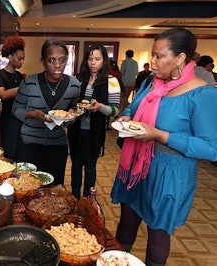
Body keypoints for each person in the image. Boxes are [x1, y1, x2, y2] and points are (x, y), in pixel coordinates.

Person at [111, 27, 217, 266]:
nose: (153, 61)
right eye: (153, 54)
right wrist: (128, 116)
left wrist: (161, 135)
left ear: (180, 58)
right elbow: (134, 108)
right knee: (127, 220)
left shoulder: (202, 94)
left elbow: (212, 148)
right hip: (136, 164)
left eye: (159, 56)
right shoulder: (153, 82)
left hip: (169, 172)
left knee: (157, 232)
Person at [12, 39, 80, 185]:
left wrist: (72, 114)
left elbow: (74, 107)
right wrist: (32, 115)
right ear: (43, 61)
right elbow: (15, 109)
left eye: (62, 60)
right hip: (29, 145)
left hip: (57, 146)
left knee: (53, 189)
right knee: (26, 186)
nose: (57, 65)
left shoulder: (74, 85)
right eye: (51, 60)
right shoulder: (29, 82)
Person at [68, 46, 121, 199]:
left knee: (90, 167)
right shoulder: (78, 78)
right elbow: (72, 102)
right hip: (76, 131)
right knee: (76, 166)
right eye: (90, 59)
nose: (93, 63)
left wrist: (99, 107)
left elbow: (115, 110)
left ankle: (87, 200)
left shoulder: (111, 81)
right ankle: (74, 197)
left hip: (95, 132)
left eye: (97, 59)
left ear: (104, 61)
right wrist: (72, 110)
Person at [0, 36, 25, 161]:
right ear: (11, 57)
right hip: (8, 119)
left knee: (20, 150)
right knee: (9, 151)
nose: (22, 62)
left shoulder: (19, 75)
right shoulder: (0, 74)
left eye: (23, 59)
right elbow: (3, 94)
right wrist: (21, 88)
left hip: (20, 117)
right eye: (20, 59)